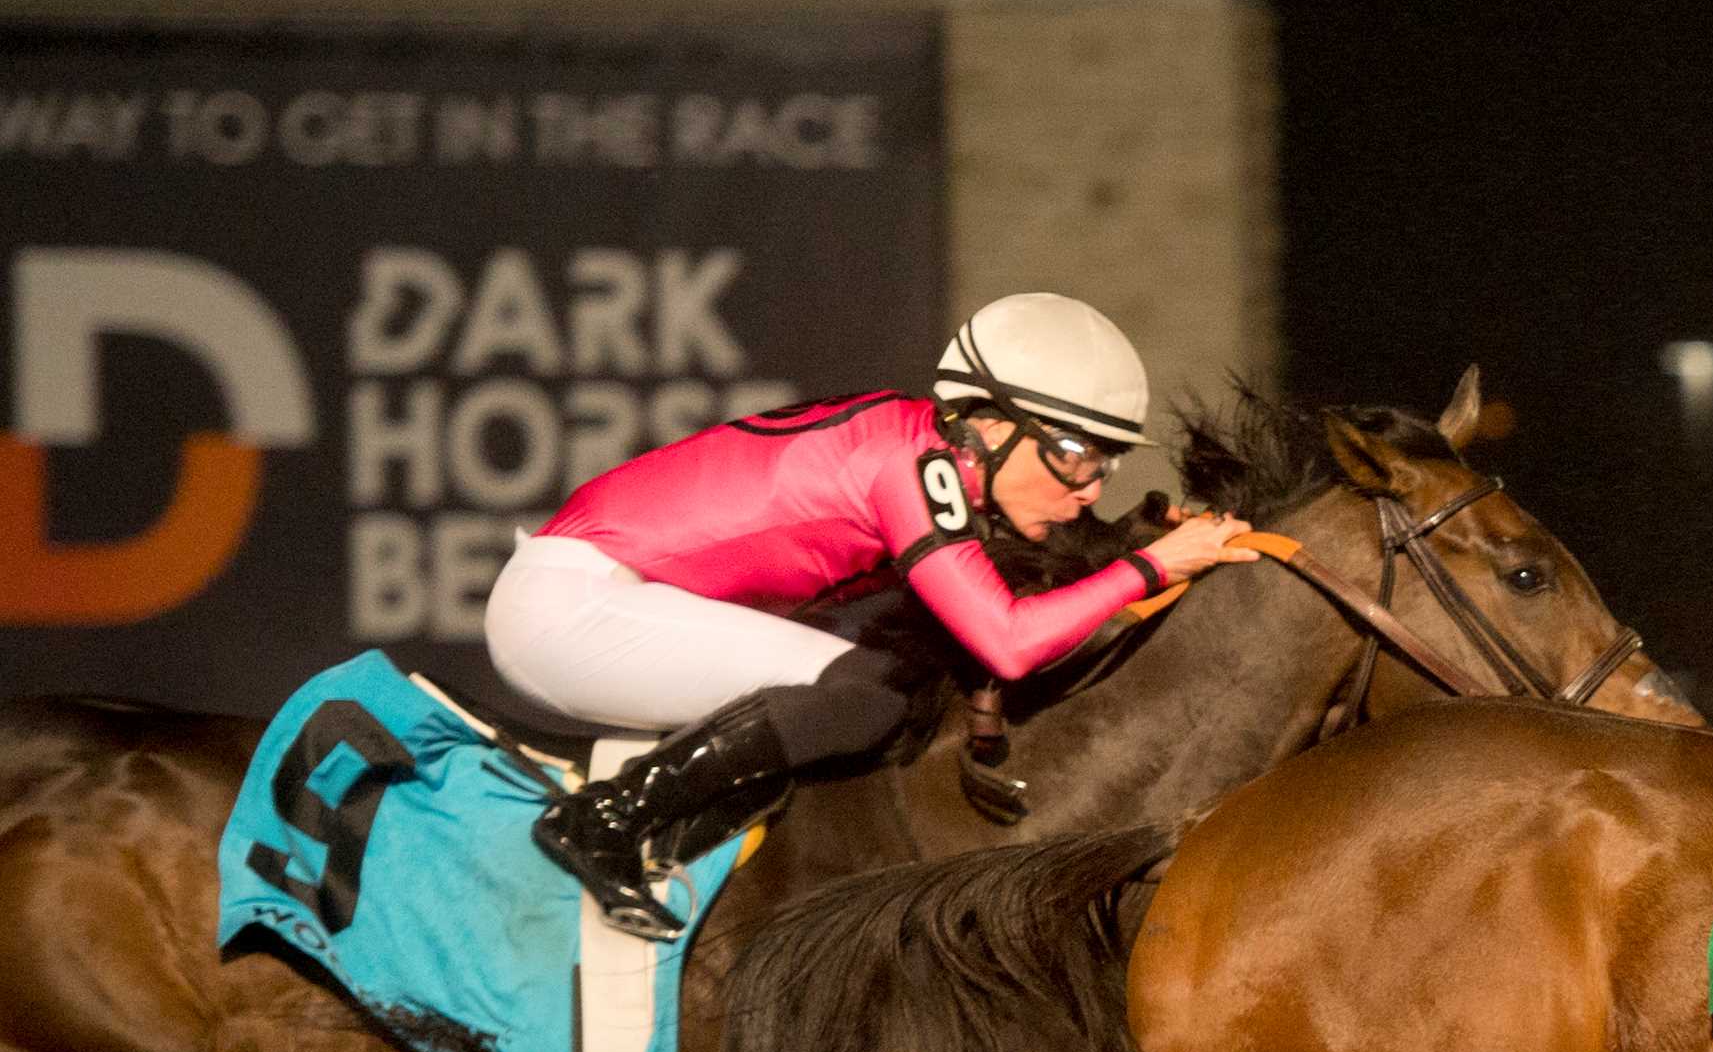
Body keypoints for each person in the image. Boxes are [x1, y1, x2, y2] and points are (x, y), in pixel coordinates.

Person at [484, 291, 1255, 940]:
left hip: (604, 593)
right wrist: (1151, 566)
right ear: (989, 426)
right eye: (1073, 454)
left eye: (1104, 463)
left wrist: (1132, 547)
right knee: (864, 693)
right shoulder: (911, 467)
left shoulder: (925, 447)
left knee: (876, 669)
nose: (1088, 486)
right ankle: (607, 819)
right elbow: (1011, 643)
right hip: (573, 608)